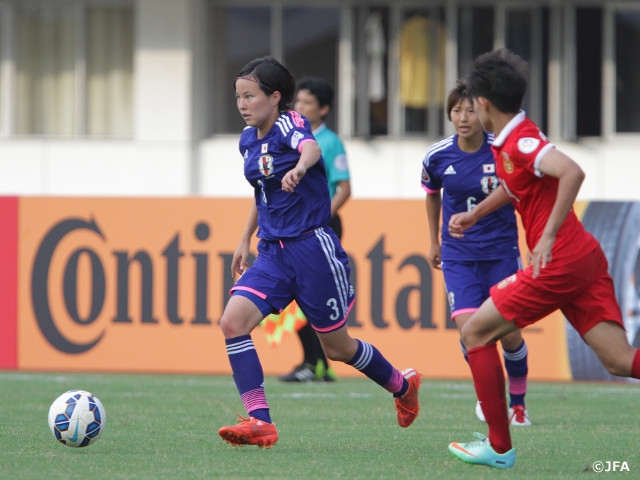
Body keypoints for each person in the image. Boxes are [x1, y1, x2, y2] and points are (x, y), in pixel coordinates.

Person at [447, 48, 640, 469]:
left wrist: (548, 234)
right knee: (619, 360)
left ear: (482, 103)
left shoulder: (521, 138)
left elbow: (571, 171)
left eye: (470, 104)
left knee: (475, 332)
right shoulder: (509, 138)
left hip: (561, 259)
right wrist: (477, 212)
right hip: (581, 257)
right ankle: (499, 443)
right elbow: (520, 186)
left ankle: (499, 449)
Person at [217, 56, 421, 448]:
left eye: (250, 96)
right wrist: (244, 239)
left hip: (312, 248)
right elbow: (262, 195)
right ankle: (261, 422)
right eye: (238, 96)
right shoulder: (247, 140)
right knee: (232, 323)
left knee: (337, 348)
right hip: (272, 252)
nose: (242, 104)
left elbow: (308, 148)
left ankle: (402, 384)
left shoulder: (290, 123)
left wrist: (299, 167)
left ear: (275, 97)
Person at [422, 80, 531, 426]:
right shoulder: (437, 155)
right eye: (457, 110)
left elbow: (518, 192)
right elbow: (431, 193)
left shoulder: (502, 150)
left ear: (483, 111)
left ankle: (518, 404)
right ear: (449, 115)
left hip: (501, 253)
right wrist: (433, 241)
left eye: (471, 109)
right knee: (471, 333)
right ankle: (490, 398)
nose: (464, 117)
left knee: (510, 333)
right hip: (458, 255)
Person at [275, 76, 352, 383]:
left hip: (320, 224)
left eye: (307, 102)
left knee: (312, 295)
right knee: (296, 295)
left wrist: (320, 216)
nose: (300, 107)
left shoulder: (330, 142)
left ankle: (315, 364)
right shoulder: (290, 136)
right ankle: (315, 362)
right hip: (294, 224)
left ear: (324, 109)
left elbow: (345, 189)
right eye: (298, 102)